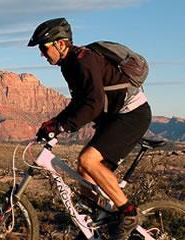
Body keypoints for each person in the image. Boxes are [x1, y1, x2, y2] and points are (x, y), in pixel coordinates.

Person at [28, 17, 151, 239]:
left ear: (61, 43)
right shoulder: (69, 65)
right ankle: (96, 225)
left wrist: (62, 125)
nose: (42, 54)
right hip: (114, 118)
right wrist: (53, 123)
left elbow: (93, 104)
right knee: (85, 170)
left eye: (44, 48)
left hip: (132, 114)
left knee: (88, 160)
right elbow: (79, 102)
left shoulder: (84, 60)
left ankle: (129, 213)